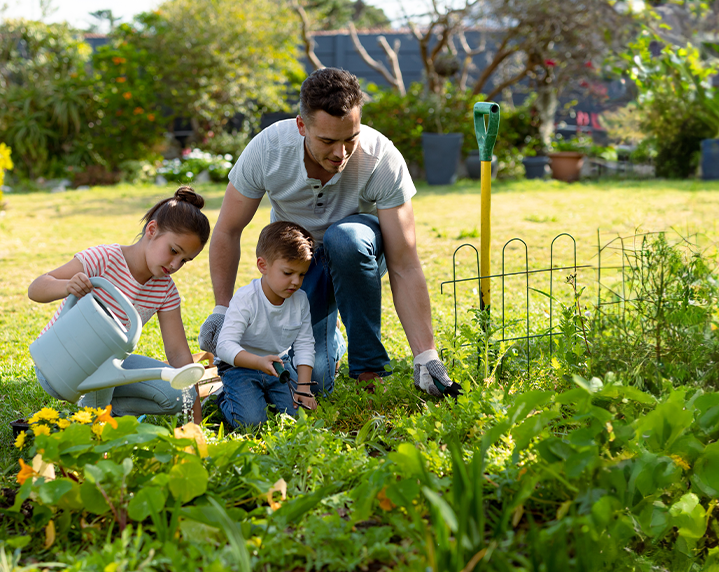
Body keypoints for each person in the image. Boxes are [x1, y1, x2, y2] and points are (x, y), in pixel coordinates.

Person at [198, 68, 460, 398]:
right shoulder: (269, 150)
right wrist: (222, 309)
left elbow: (404, 262)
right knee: (314, 380)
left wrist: (425, 355)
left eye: (350, 138)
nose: (341, 153)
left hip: (358, 254)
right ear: (301, 126)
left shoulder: (381, 158)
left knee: (344, 239)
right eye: (327, 141)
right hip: (304, 262)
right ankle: (330, 335)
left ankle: (368, 368)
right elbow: (227, 230)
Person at [27, 187, 211, 421]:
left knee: (178, 394)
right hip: (56, 365)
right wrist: (67, 286)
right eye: (174, 250)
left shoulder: (165, 289)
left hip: (106, 368)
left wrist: (196, 421)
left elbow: (178, 355)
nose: (175, 264)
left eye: (184, 260)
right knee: (104, 347)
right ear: (152, 230)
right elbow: (37, 287)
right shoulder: (104, 259)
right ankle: (97, 429)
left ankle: (109, 413)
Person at [214, 221, 318, 431]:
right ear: (263, 265)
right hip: (239, 365)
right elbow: (224, 346)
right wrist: (258, 362)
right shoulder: (246, 298)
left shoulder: (300, 300)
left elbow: (306, 344)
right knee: (251, 423)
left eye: (302, 274)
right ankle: (223, 397)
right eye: (288, 273)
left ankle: (261, 395)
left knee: (298, 415)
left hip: (279, 364)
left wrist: (304, 388)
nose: (296, 282)